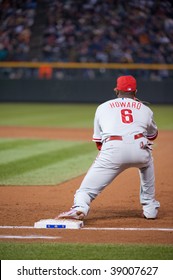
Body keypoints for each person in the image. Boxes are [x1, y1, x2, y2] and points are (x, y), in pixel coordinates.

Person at [57, 75, 160, 220]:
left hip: (113, 148)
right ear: (135, 91)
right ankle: (150, 208)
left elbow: (99, 142)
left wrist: (114, 158)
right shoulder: (145, 109)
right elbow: (152, 136)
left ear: (116, 90)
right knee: (147, 161)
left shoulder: (103, 107)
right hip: (140, 147)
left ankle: (80, 207)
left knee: (85, 191)